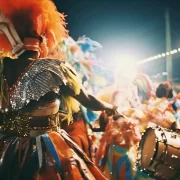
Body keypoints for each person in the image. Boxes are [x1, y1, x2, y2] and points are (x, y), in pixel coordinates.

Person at [0, 0, 117, 179]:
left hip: (8, 148)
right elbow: (87, 99)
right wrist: (110, 107)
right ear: (42, 38)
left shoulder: (3, 68)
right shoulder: (55, 68)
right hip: (48, 148)